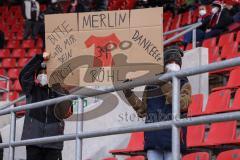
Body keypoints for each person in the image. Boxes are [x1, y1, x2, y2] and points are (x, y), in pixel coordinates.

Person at [122, 46, 192, 160]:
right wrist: (128, 93)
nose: (173, 65)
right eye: (170, 62)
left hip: (173, 139)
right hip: (153, 139)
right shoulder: (151, 84)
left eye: (176, 62)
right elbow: (142, 110)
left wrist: (163, 84)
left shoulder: (184, 82)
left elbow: (182, 105)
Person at [19, 52, 73, 160]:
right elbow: (24, 75)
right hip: (33, 142)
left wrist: (56, 86)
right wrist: (39, 58)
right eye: (41, 72)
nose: (43, 75)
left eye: (47, 72)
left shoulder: (60, 91)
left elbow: (66, 112)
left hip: (53, 144)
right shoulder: (31, 89)